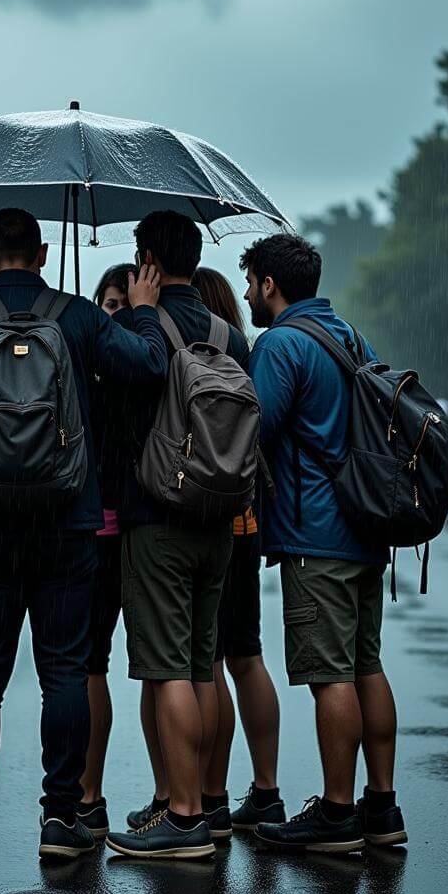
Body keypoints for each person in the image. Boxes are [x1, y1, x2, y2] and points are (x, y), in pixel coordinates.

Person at [0, 208, 167, 861]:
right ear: (43, 252)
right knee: (64, 671)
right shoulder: (77, 315)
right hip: (68, 517)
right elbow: (150, 364)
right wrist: (141, 309)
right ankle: (59, 819)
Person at [241, 232, 405, 855]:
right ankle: (381, 807)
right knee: (367, 664)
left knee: (328, 675)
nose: (251, 293)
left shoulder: (280, 344)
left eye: (253, 282)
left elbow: (255, 426)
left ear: (269, 285)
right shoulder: (350, 336)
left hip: (317, 533)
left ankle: (337, 813)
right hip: (365, 528)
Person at [102, 215, 250, 861]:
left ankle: (182, 816)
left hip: (155, 514)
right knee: (201, 664)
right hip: (218, 518)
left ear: (147, 259)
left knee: (165, 672)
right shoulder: (230, 335)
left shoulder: (145, 326)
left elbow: (124, 391)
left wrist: (135, 312)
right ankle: (208, 804)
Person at [191, 267, 284, 834]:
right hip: (246, 520)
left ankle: (210, 795)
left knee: (209, 663)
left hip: (205, 522)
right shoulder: (243, 351)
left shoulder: (186, 352)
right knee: (248, 655)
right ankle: (267, 790)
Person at [77, 262, 138, 840]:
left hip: (132, 534)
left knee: (156, 666)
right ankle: (88, 795)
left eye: (122, 304)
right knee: (91, 664)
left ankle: (178, 798)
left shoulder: (137, 368)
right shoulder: (87, 367)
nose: (111, 313)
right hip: (92, 535)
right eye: (105, 304)